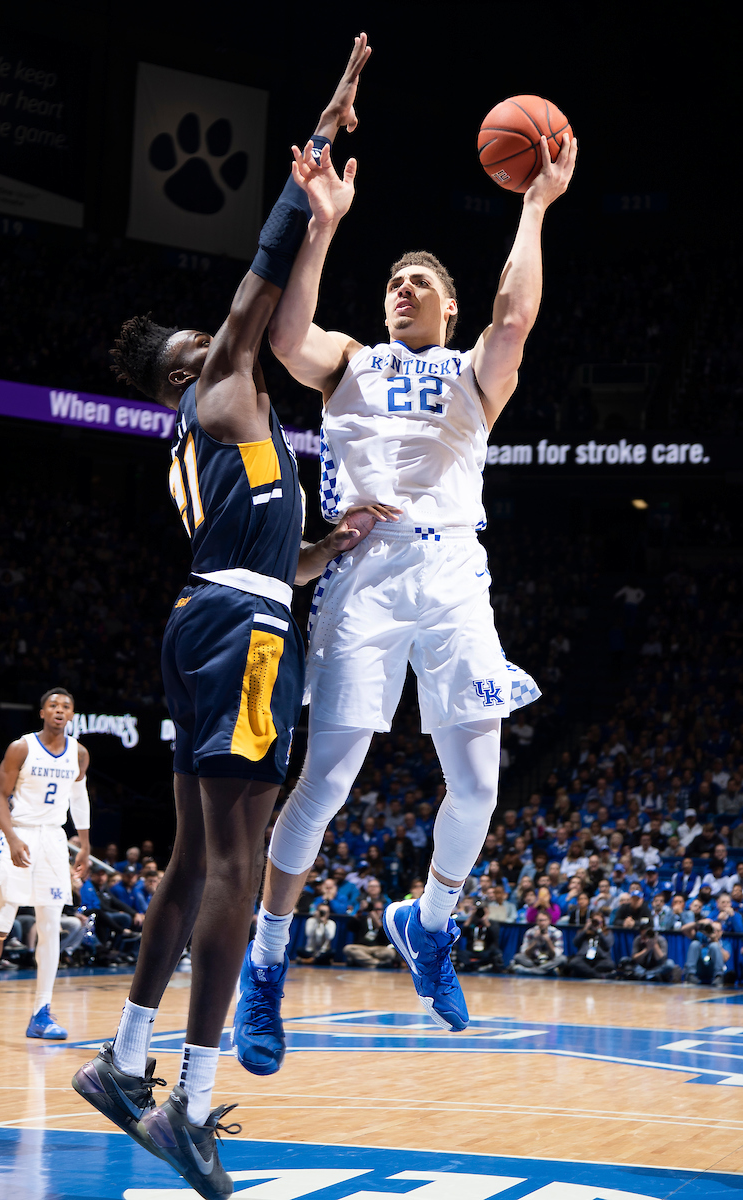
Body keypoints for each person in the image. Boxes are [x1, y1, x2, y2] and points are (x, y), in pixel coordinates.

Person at [73, 38, 377, 1200]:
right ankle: (191, 1108)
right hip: (242, 636)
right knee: (238, 869)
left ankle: (123, 1061)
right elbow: (263, 264)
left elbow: (258, 560)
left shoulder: (199, 439)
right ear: (176, 377)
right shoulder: (223, 382)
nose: (220, 338)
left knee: (199, 854)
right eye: (198, 348)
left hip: (214, 614)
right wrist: (319, 145)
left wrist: (323, 548)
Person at [234, 88, 577, 1051]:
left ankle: (428, 925)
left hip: (457, 579)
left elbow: (515, 319)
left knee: (478, 787)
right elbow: (285, 341)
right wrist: (319, 228)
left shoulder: (475, 371)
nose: (404, 287)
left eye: (421, 282)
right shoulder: (349, 359)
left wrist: (535, 205)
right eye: (395, 281)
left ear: (451, 306)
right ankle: (267, 965)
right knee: (330, 777)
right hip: (363, 577)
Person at [0, 689, 90, 1039]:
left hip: (55, 840)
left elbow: (79, 797)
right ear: (42, 711)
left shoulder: (79, 754)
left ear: (71, 715)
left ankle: (42, 1013)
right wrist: (10, 837)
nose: (59, 710)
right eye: (53, 705)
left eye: (66, 706)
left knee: (51, 926)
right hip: (20, 832)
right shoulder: (21, 747)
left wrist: (84, 843)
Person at [343, 901, 396, 968]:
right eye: (375, 909)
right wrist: (359, 912)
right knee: (347, 949)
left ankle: (364, 961)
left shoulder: (385, 922)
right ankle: (377, 963)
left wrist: (377, 923)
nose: (377, 912)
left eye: (379, 909)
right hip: (362, 947)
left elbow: (386, 938)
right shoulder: (362, 919)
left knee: (391, 952)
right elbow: (350, 927)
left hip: (378, 949)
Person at [512, 911, 567, 976]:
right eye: (540, 920)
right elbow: (524, 952)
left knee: (563, 959)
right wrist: (535, 941)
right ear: (537, 922)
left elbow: (557, 954)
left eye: (544, 920)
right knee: (518, 957)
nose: (542, 923)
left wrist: (548, 941)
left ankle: (528, 971)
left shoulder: (556, 933)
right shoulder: (530, 932)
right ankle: (548, 971)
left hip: (549, 961)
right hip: (534, 961)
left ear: (549, 921)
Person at [456, 900, 503, 973]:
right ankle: (476, 966)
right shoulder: (472, 923)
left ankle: (474, 966)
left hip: (485, 951)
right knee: (461, 954)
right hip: (472, 951)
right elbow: (462, 933)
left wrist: (485, 920)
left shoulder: (492, 923)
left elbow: (495, 936)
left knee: (495, 953)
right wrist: (471, 916)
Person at [567, 911, 615, 979]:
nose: (596, 923)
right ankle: (599, 976)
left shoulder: (607, 932)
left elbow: (608, 945)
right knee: (574, 962)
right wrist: (585, 929)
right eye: (594, 921)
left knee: (609, 964)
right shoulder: (584, 932)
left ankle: (586, 973)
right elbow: (575, 943)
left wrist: (599, 932)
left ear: (603, 922)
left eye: (599, 922)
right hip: (584, 959)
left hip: (600, 959)